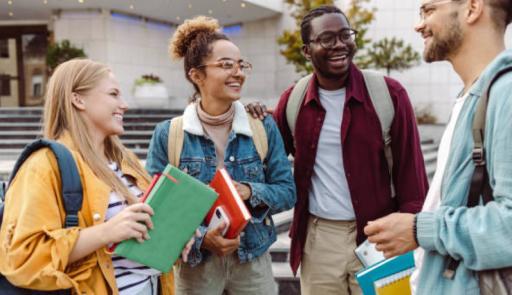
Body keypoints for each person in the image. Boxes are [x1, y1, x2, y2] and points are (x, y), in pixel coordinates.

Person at [268, 5, 428, 295]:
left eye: (345, 35)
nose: (339, 44)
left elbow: (412, 180)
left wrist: (411, 236)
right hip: (319, 240)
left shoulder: (389, 94)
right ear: (307, 51)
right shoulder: (294, 101)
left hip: (380, 236)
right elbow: (270, 162)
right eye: (327, 38)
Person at [0, 59, 187, 294]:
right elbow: (22, 259)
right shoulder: (42, 166)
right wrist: (107, 232)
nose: (124, 104)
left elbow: (146, 228)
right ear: (78, 99)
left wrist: (175, 239)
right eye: (114, 94)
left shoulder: (126, 159)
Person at [364, 0, 512, 294]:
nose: (418, 25)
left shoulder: (506, 94)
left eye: (428, 10)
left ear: (472, 8)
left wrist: (420, 229)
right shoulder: (473, 96)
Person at [145, 16, 296, 295]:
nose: (238, 72)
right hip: (195, 268)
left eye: (241, 65)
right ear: (196, 75)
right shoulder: (169, 135)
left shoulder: (261, 127)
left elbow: (287, 191)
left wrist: (248, 191)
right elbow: (154, 210)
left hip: (251, 261)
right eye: (226, 65)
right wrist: (203, 239)